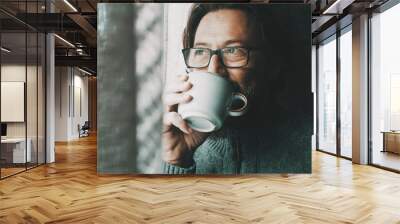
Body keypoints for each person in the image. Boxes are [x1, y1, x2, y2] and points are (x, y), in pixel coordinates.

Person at [162, 3, 311, 174]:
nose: (213, 69)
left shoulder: (307, 147)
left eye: (233, 50)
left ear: (272, 65)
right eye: (201, 52)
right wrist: (175, 160)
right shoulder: (181, 142)